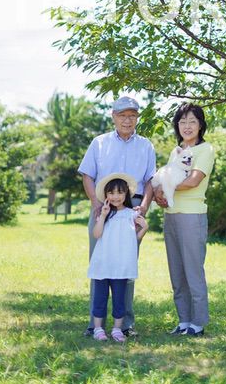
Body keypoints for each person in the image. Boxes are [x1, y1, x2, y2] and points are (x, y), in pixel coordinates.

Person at [78, 96, 156, 337]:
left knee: (127, 265)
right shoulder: (99, 143)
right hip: (103, 205)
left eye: (132, 115)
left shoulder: (146, 145)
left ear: (137, 119)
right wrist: (95, 203)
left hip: (132, 208)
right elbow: (87, 175)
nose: (127, 119)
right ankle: (95, 325)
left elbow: (151, 180)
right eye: (122, 115)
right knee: (99, 264)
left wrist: (143, 206)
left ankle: (125, 325)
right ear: (113, 116)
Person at [154, 102, 215, 337]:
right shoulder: (176, 150)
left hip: (192, 216)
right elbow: (166, 179)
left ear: (200, 125)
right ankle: (183, 321)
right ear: (176, 126)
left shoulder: (205, 150)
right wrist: (160, 193)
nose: (187, 126)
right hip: (171, 215)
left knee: (193, 271)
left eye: (192, 121)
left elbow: (192, 181)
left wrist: (166, 189)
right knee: (177, 273)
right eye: (182, 121)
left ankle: (198, 323)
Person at [88, 172, 149, 341]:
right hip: (103, 263)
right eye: (112, 193)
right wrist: (103, 215)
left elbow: (134, 239)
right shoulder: (104, 213)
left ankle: (117, 329)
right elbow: (97, 234)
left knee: (119, 299)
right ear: (106, 195)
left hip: (121, 264)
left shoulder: (132, 214)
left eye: (120, 192)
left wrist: (144, 228)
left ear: (126, 194)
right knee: (100, 298)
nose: (116, 196)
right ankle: (98, 328)